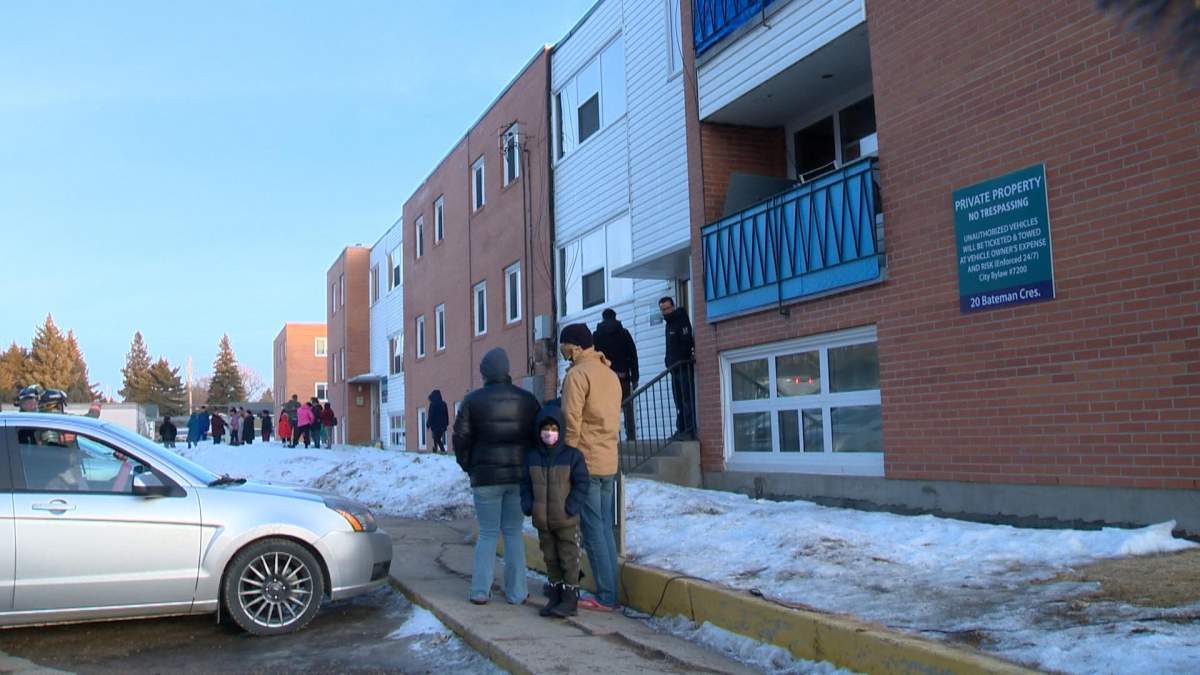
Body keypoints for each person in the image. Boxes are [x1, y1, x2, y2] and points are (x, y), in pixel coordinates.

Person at [452, 348, 538, 606]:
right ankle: (517, 592)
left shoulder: (472, 400)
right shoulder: (527, 400)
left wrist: (469, 465)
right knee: (513, 532)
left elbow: (460, 438)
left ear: (485, 372)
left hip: (485, 477)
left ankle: (480, 590)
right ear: (507, 370)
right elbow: (537, 437)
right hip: (518, 476)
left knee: (488, 533)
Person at [559, 323, 622, 612]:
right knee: (605, 529)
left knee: (593, 530)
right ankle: (611, 590)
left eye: (565, 348)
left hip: (586, 461)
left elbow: (571, 422)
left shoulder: (578, 375)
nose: (564, 354)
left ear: (575, 346)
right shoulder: (609, 374)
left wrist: (567, 459)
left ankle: (606, 596)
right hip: (609, 461)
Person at [521, 406, 589, 618]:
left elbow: (582, 483)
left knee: (568, 558)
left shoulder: (572, 456)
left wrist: (571, 506)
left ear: (560, 430)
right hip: (543, 520)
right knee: (550, 558)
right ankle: (556, 595)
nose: (548, 433)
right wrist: (528, 504)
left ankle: (570, 599)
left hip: (566, 520)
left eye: (553, 428)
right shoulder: (532, 457)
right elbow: (525, 484)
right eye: (544, 429)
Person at [593, 308, 640, 441]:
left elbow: (592, 357)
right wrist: (635, 377)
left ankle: (608, 436)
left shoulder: (596, 336)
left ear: (603, 318)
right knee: (627, 406)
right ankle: (631, 436)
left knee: (606, 407)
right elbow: (633, 356)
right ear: (615, 317)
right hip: (622, 376)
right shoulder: (624, 334)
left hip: (604, 378)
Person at [659, 296, 696, 438]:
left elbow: (687, 342)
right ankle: (681, 429)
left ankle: (689, 430)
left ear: (673, 306)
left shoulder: (681, 320)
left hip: (683, 367)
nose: (666, 312)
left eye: (668, 308)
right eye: (663, 310)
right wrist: (668, 362)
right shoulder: (669, 324)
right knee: (679, 401)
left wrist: (682, 358)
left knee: (687, 400)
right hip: (674, 369)